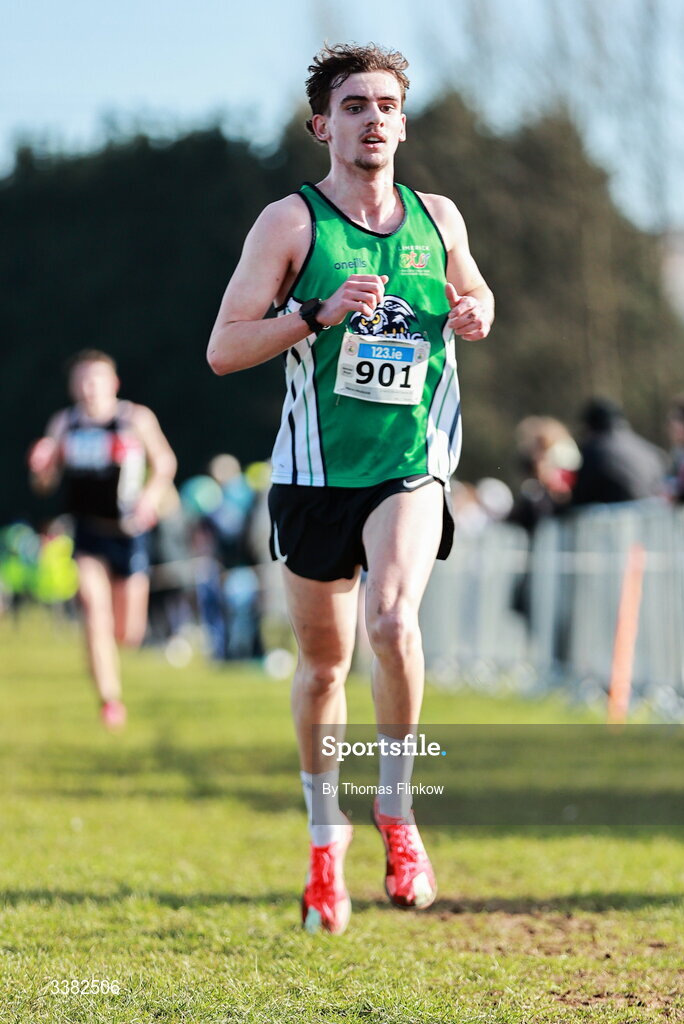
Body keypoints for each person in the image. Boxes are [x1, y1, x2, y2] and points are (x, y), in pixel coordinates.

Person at [207, 42, 494, 935]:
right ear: (323, 125)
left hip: (411, 460)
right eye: (356, 105)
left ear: (404, 123)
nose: (374, 119)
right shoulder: (289, 225)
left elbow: (473, 294)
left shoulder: (437, 217)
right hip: (314, 475)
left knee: (393, 622)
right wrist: (313, 314)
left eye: (387, 105)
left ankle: (398, 814)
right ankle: (324, 841)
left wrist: (479, 308)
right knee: (326, 665)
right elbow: (222, 348)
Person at [28, 350, 177, 728]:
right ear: (73, 386)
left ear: (114, 384)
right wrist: (41, 467)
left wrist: (149, 497)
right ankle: (110, 701)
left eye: (96, 379)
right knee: (94, 610)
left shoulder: (135, 418)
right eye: (81, 380)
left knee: (128, 633)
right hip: (87, 531)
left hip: (128, 534)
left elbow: (165, 463)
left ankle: (109, 661)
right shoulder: (64, 423)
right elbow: (44, 485)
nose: (88, 387)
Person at [569, 397, 665, 507]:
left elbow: (580, 495)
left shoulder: (594, 450)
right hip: (655, 518)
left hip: (616, 520)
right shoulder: (650, 450)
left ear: (589, 426)